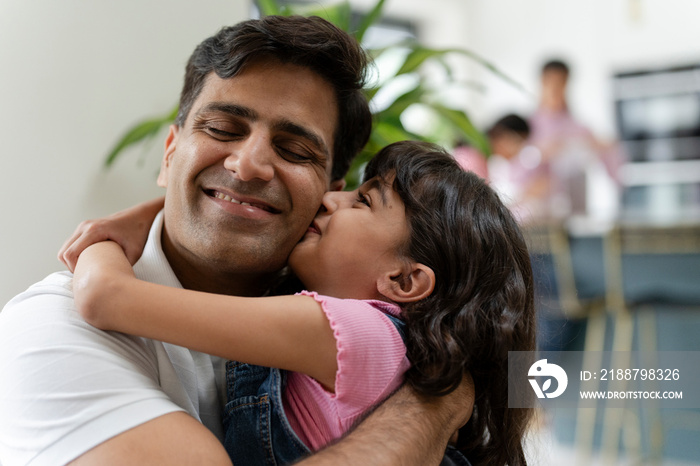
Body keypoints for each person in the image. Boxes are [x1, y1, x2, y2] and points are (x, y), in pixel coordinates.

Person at [0, 16, 473, 466]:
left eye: (294, 151)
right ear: (170, 155)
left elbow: (530, 376)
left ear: (328, 196)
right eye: (222, 129)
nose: (247, 166)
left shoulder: (335, 311)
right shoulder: (47, 327)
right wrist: (432, 409)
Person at [68, 141, 537, 465]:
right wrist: (150, 213)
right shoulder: (384, 346)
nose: (332, 200)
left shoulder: (351, 332)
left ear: (405, 279)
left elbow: (105, 297)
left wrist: (105, 238)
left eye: (364, 203)